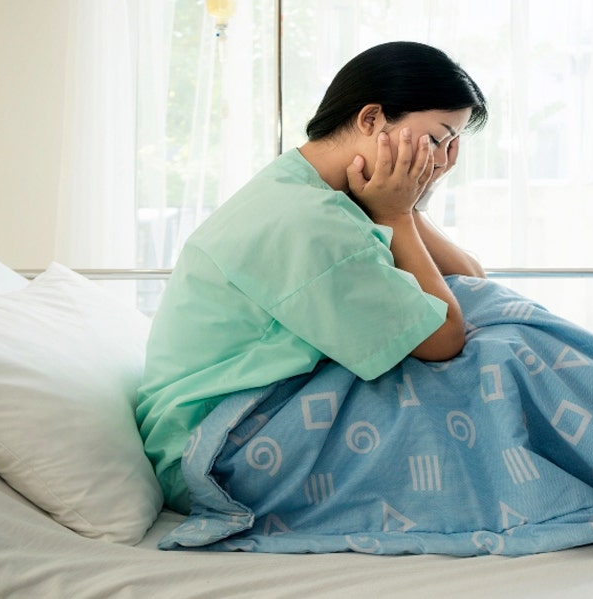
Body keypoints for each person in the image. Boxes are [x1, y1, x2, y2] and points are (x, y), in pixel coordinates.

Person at [136, 41, 490, 513]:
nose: (445, 160)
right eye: (439, 138)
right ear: (370, 120)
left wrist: (409, 204)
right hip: (217, 450)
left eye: (453, 145)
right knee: (494, 365)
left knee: (497, 328)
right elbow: (445, 339)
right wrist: (398, 213)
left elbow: (474, 282)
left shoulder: (322, 189)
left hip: (239, 423)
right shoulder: (307, 217)